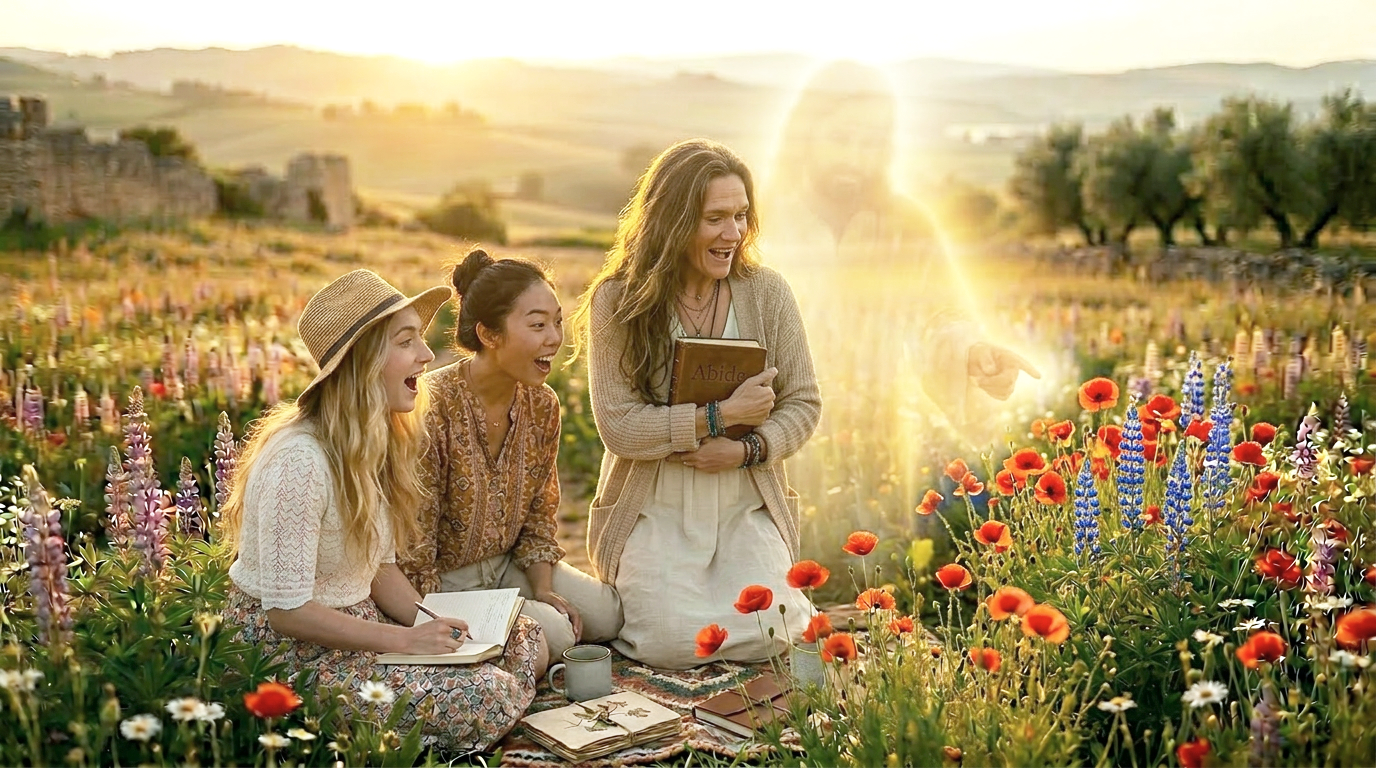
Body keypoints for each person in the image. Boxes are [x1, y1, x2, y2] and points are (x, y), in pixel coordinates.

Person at [220, 269, 547, 753]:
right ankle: (486, 707)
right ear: (364, 361)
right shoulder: (300, 459)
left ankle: (484, 694)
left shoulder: (368, 443)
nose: (427, 355)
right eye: (406, 341)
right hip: (293, 653)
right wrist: (406, 643)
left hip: (358, 624)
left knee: (525, 635)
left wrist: (433, 621)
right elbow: (286, 613)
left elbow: (380, 570)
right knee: (485, 694)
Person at [568, 139, 821, 669]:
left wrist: (748, 448)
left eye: (741, 216)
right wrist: (720, 417)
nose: (733, 234)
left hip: (743, 504)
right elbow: (619, 427)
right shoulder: (617, 300)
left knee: (777, 629)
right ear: (674, 221)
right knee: (668, 642)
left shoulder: (768, 293)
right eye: (715, 219)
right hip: (655, 507)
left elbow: (803, 402)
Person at [764, 61, 1039, 440]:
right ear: (805, 134)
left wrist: (974, 355)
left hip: (885, 445)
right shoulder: (758, 219)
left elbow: (942, 317)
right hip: (781, 445)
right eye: (841, 138)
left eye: (870, 143)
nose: (855, 157)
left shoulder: (909, 226)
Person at [399, 248, 623, 660]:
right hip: (446, 583)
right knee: (555, 633)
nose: (554, 338)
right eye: (537, 325)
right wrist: (432, 619)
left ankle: (525, 620)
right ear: (489, 335)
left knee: (607, 615)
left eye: (557, 321)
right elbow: (416, 542)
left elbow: (540, 513)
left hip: (509, 566)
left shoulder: (543, 405)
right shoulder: (432, 407)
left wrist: (543, 589)